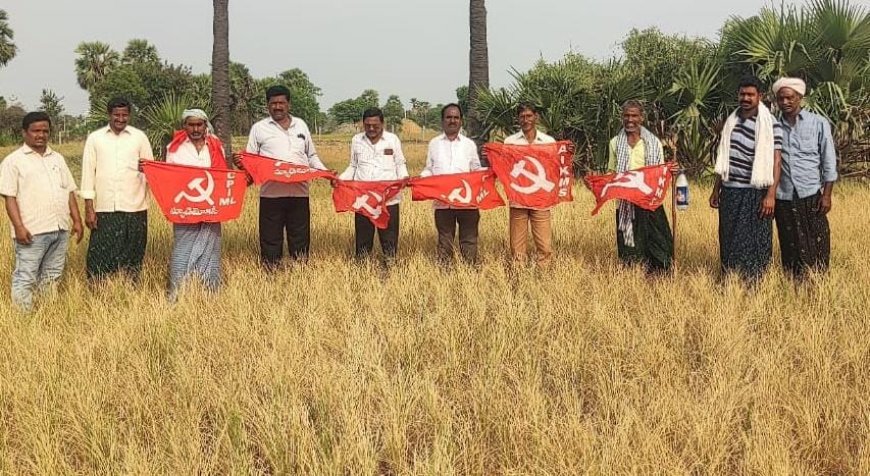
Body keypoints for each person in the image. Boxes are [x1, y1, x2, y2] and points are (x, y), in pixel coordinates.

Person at [233, 85, 327, 269]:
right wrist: (241, 163)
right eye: (273, 103)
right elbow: (252, 161)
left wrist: (326, 173)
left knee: (300, 238)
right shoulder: (259, 128)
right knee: (270, 239)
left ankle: (300, 274)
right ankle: (271, 273)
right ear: (268, 105)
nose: (277, 107)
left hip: (300, 194)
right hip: (271, 195)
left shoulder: (301, 125)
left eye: (281, 103)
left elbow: (311, 156)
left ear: (288, 104)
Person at [0, 112, 83, 311]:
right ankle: (23, 321)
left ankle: (47, 315)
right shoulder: (13, 161)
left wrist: (77, 220)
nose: (41, 135)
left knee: (52, 275)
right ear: (24, 133)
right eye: (36, 131)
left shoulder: (58, 159)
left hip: (59, 228)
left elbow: (69, 191)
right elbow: (9, 198)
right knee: (26, 276)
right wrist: (19, 227)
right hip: (32, 231)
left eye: (45, 131)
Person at [710, 76, 782, 282]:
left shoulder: (771, 124)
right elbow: (724, 157)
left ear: (760, 96)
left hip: (756, 191)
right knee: (729, 237)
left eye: (751, 94)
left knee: (755, 240)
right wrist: (716, 189)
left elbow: (777, 162)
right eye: (742, 94)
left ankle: (755, 284)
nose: (746, 98)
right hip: (730, 189)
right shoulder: (731, 122)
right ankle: (730, 280)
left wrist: (770, 195)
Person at [80, 97, 154, 281]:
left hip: (135, 207)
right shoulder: (95, 139)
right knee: (100, 255)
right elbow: (88, 174)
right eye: (116, 115)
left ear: (129, 115)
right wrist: (89, 208)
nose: (120, 119)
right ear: (109, 114)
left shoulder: (139, 137)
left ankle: (129, 292)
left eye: (124, 115)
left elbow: (151, 170)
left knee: (132, 253)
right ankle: (99, 293)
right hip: (106, 208)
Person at [772, 77, 838, 278]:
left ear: (800, 97)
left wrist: (826, 195)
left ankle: (819, 280)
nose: (785, 102)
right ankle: (794, 283)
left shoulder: (818, 123)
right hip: (782, 195)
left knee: (817, 238)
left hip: (811, 193)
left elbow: (828, 161)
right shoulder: (773, 126)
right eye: (781, 99)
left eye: (790, 98)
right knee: (789, 241)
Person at [606, 100, 677, 272]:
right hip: (625, 204)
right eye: (626, 115)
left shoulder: (654, 143)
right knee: (630, 247)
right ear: (621, 117)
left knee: (658, 243)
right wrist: (596, 183)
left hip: (650, 202)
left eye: (634, 115)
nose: (630, 119)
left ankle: (660, 277)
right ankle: (633, 276)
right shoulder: (615, 143)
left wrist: (671, 170)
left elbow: (659, 172)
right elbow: (612, 174)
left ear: (642, 118)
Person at [165, 109, 227, 301]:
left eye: (199, 124)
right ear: (185, 126)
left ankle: (210, 295)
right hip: (185, 209)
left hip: (210, 209)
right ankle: (178, 294)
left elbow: (223, 176)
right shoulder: (174, 149)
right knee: (182, 250)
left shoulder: (216, 147)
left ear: (205, 125)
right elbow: (170, 179)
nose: (195, 129)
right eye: (191, 125)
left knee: (212, 251)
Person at [338, 107, 409, 263]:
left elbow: (400, 163)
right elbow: (353, 166)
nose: (371, 129)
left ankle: (390, 265)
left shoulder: (392, 140)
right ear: (363, 124)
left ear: (382, 124)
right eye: (367, 125)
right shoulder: (356, 140)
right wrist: (341, 180)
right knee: (363, 237)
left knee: (389, 237)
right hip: (364, 200)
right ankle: (362, 267)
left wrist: (404, 177)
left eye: (375, 126)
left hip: (388, 199)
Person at [420, 103, 483, 265]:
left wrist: (489, 173)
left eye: (456, 117)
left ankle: (469, 273)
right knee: (444, 240)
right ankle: (444, 275)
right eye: (449, 117)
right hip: (443, 204)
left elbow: (476, 169)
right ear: (442, 121)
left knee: (469, 240)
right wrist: (421, 180)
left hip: (466, 202)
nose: (452, 121)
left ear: (461, 121)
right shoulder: (434, 144)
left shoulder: (469, 144)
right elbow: (429, 169)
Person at [503, 103, 556, 267]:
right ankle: (517, 276)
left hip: (541, 199)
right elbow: (505, 168)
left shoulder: (548, 142)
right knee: (517, 246)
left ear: (536, 117)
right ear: (518, 119)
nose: (526, 120)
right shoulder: (510, 142)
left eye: (529, 116)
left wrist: (566, 151)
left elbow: (554, 167)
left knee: (544, 245)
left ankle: (544, 275)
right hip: (518, 198)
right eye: (522, 117)